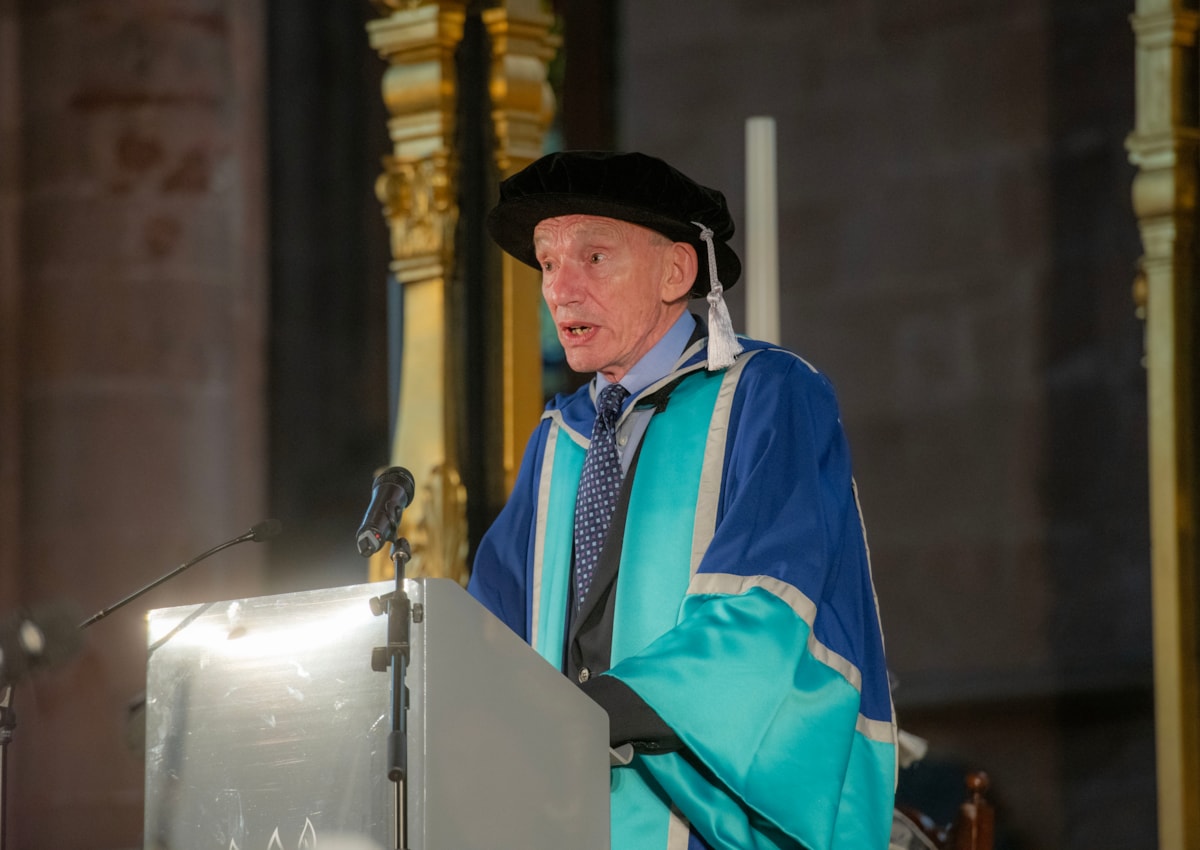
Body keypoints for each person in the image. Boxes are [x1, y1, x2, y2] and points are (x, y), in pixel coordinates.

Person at [467, 150, 897, 850]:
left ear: (677, 272)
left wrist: (601, 710)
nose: (560, 289)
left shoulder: (768, 397)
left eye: (594, 257)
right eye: (548, 262)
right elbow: (492, 630)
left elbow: (770, 607)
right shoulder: (559, 442)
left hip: (708, 819)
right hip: (566, 816)